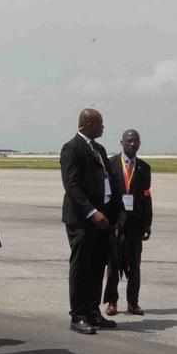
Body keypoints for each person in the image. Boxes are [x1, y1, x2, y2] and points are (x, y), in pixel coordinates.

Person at [60, 108, 120, 335]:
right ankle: (78, 315)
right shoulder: (72, 148)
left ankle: (93, 311)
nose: (103, 127)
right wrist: (92, 212)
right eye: (100, 123)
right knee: (81, 267)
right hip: (82, 220)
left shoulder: (99, 149)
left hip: (103, 219)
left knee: (97, 266)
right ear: (87, 124)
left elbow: (110, 181)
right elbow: (72, 185)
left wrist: (117, 211)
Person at [104, 128, 153, 317]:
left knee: (135, 265)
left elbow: (147, 196)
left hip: (135, 224)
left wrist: (147, 222)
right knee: (113, 265)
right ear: (122, 142)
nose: (133, 144)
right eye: (129, 140)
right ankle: (112, 302)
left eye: (136, 141)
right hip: (116, 222)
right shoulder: (110, 164)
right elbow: (106, 194)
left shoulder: (144, 168)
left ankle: (133, 302)